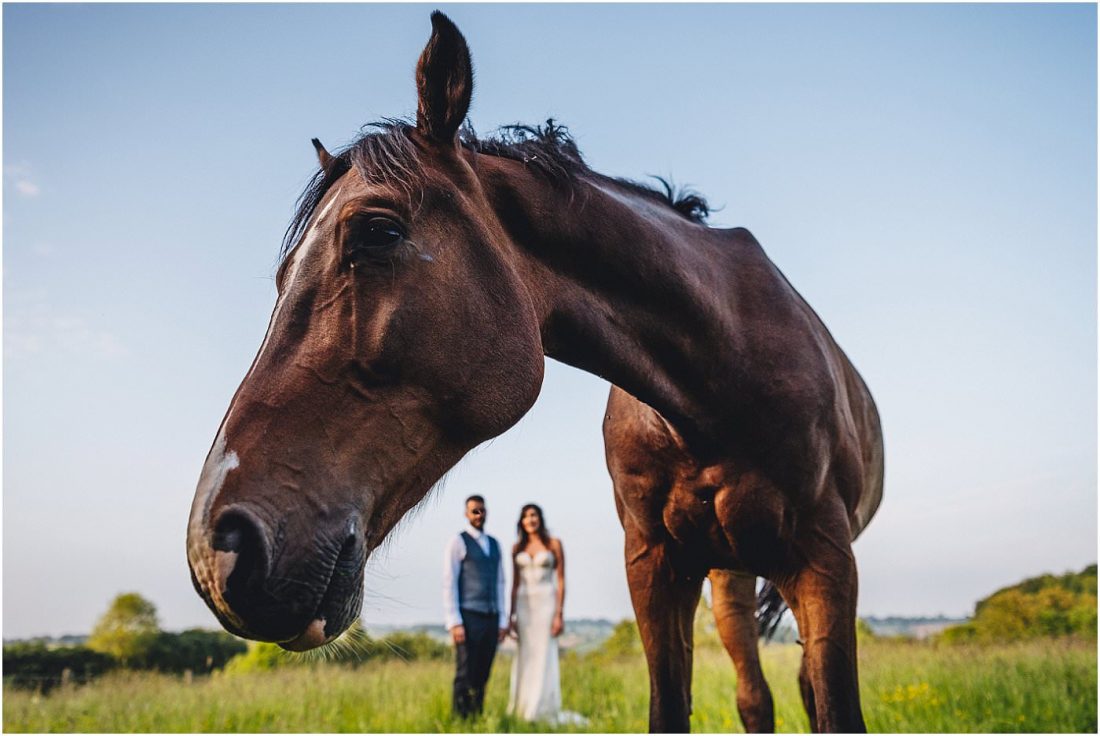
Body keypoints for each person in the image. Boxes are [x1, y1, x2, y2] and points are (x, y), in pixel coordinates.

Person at [507, 504, 585, 725]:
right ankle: (523, 706)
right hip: (523, 606)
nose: (530, 519)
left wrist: (559, 613)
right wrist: (510, 616)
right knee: (526, 655)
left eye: (533, 515)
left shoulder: (554, 544)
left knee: (544, 654)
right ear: (521, 522)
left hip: (546, 604)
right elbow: (514, 584)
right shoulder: (516, 548)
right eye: (525, 516)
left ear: (540, 518)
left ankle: (541, 707)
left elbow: (560, 580)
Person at [442, 494, 508, 718]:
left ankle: (476, 718)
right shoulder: (458, 542)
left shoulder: (495, 544)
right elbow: (449, 581)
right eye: (474, 511)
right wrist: (454, 621)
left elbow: (500, 582)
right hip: (468, 616)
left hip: (491, 617)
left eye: (481, 510)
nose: (479, 515)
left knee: (483, 671)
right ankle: (459, 720)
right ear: (466, 514)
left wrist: (502, 620)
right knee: (465, 671)